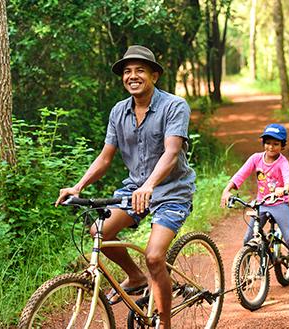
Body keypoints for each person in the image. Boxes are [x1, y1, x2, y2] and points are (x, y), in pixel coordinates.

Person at [55, 45, 196, 328]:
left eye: (140, 70)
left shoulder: (174, 106)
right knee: (100, 232)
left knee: (155, 257)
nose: (133, 76)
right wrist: (78, 186)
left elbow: (170, 153)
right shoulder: (119, 111)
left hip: (172, 191)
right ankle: (135, 276)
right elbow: (106, 157)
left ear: (154, 75)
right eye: (127, 71)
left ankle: (164, 324)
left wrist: (150, 185)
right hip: (134, 190)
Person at [220, 123, 289, 298]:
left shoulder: (282, 162)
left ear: (282, 146)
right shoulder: (256, 159)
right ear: (263, 143)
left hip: (279, 203)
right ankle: (246, 273)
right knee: (248, 238)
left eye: (276, 144)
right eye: (268, 143)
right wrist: (227, 189)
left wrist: (284, 188)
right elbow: (241, 174)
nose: (271, 147)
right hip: (261, 203)